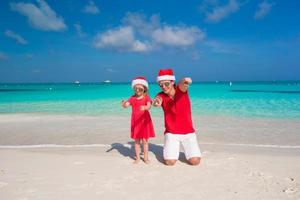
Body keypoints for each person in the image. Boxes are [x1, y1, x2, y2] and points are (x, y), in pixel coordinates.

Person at [152, 69, 201, 166]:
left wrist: (186, 80)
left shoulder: (181, 90)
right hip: (171, 133)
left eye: (166, 84)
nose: (164, 87)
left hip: (188, 132)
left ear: (172, 82)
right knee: (170, 162)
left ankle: (186, 151)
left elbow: (183, 83)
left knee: (195, 162)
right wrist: (156, 103)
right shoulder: (160, 95)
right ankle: (172, 149)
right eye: (161, 85)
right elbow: (157, 100)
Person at [121, 77, 155, 164]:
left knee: (145, 141)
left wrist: (145, 107)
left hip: (144, 122)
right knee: (136, 141)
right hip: (135, 122)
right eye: (136, 88)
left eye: (140, 88)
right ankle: (138, 158)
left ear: (144, 89)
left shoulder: (146, 97)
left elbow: (149, 106)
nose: (138, 90)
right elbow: (126, 105)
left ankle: (146, 158)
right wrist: (124, 104)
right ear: (134, 89)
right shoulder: (132, 98)